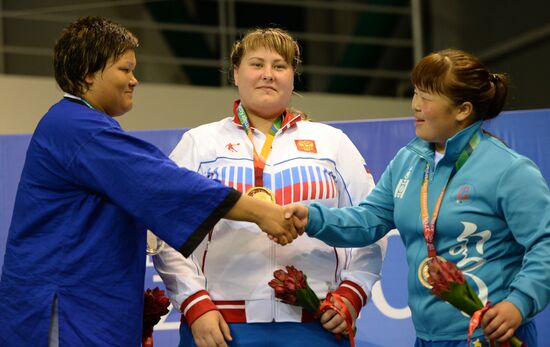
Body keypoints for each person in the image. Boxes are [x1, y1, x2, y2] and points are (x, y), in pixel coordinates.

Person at [0, 17, 298, 347]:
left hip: (84, 303)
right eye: (124, 70)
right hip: (66, 309)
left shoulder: (78, 126)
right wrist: (260, 212)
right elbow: (165, 184)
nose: (134, 80)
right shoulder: (77, 128)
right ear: (88, 73)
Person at [286, 48, 550, 347]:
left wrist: (519, 302)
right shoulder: (409, 160)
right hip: (427, 338)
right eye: (415, 93)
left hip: (487, 336)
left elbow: (545, 243)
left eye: (427, 97)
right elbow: (368, 219)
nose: (415, 105)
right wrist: (312, 217)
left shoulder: (509, 169)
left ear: (462, 110)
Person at [153, 27, 386, 347]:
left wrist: (353, 291)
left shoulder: (332, 144)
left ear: (293, 76)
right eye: (256, 64)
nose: (268, 75)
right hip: (220, 326)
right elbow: (165, 226)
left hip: (314, 324)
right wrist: (194, 303)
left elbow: (374, 221)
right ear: (236, 73)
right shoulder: (200, 143)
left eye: (279, 66)